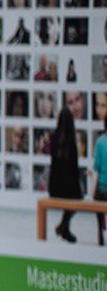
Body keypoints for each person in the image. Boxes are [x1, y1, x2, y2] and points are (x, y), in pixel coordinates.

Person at [50, 99, 91, 241]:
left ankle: (64, 226)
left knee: (75, 196)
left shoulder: (54, 137)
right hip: (66, 187)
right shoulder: (70, 141)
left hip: (54, 187)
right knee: (78, 197)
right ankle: (64, 225)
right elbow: (73, 168)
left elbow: (54, 164)